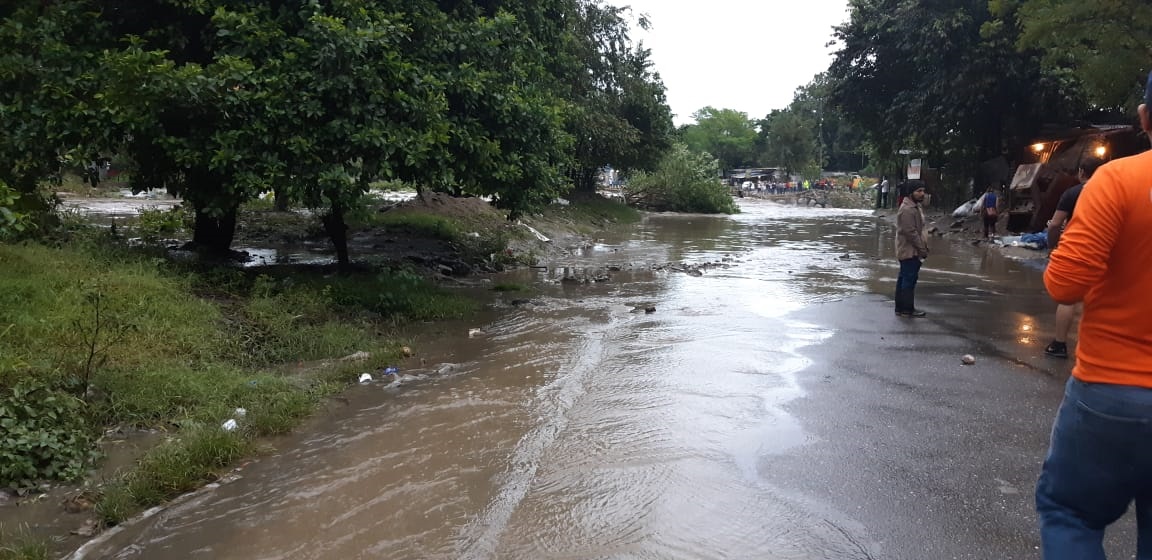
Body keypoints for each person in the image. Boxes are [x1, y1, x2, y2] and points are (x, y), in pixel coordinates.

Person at [1035, 70, 1152, 559]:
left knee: (1071, 514)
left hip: (1113, 391)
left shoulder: (1119, 181)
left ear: (1145, 116)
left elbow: (1065, 284)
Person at [1042, 156, 1104, 359]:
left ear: (1081, 172)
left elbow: (1054, 225)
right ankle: (1095, 347)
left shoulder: (1073, 193)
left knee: (1068, 299)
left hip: (1078, 248)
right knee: (1100, 298)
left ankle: (1059, 344)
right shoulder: (1113, 190)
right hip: (1108, 249)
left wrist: (1052, 248)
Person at [894, 181, 929, 317]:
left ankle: (900, 308)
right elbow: (911, 233)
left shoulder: (913, 207)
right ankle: (907, 309)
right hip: (910, 250)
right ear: (911, 193)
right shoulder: (908, 210)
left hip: (909, 249)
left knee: (904, 278)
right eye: (919, 191)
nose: (922, 194)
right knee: (909, 279)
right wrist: (922, 250)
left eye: (923, 191)